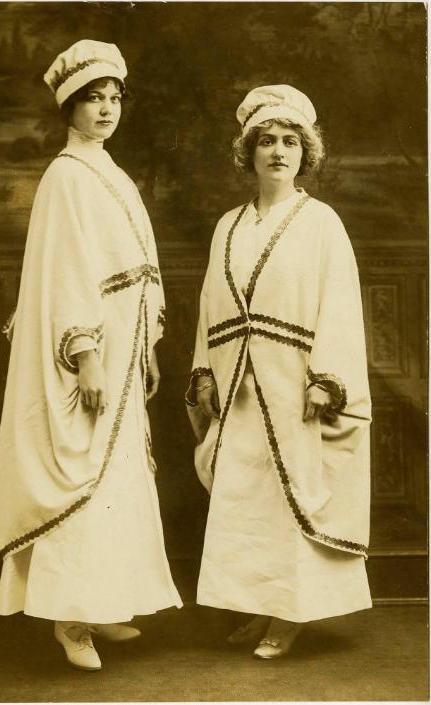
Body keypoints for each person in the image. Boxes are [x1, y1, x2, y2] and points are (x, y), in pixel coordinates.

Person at [0, 40, 182, 671]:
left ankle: (101, 603)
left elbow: (137, 269)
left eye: (113, 98)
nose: (105, 109)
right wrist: (87, 354)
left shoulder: (111, 173)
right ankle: (68, 620)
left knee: (117, 478)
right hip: (92, 351)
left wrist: (147, 343)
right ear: (69, 107)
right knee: (83, 472)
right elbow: (69, 273)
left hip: (126, 348)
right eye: (92, 99)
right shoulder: (66, 177)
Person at [186, 85, 372, 659]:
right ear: (249, 153)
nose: (278, 151)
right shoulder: (229, 225)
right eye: (266, 140)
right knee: (248, 503)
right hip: (239, 383)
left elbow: (339, 305)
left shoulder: (322, 223)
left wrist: (326, 379)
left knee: (291, 496)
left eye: (291, 141)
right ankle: (260, 605)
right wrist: (206, 373)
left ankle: (290, 616)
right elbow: (209, 303)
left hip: (294, 385)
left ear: (306, 152)